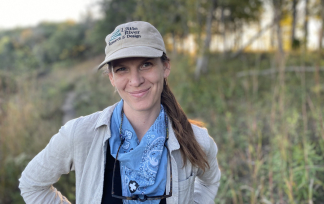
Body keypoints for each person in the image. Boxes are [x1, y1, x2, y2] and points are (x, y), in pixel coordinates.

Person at [18, 21, 221, 204]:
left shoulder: (197, 140)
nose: (135, 80)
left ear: (165, 67)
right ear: (112, 78)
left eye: (146, 64)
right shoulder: (80, 134)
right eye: (122, 69)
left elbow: (209, 182)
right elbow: (32, 184)